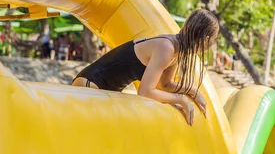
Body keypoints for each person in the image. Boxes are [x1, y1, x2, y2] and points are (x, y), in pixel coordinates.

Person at [71, 9, 219, 126]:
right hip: (90, 85)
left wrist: (193, 91)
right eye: (213, 40)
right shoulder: (166, 47)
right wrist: (182, 100)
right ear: (206, 40)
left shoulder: (176, 51)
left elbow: (165, 84)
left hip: (103, 91)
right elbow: (146, 92)